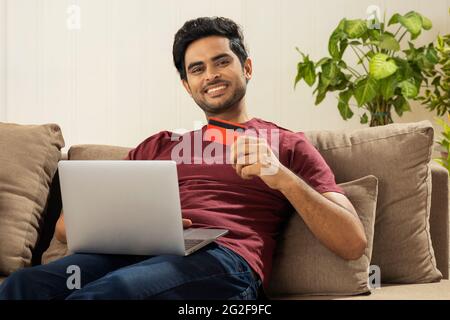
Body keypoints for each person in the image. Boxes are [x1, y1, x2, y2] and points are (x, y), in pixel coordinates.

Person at [0, 16, 367, 300]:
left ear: (247, 68)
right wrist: (144, 226)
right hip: (135, 255)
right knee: (22, 286)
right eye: (197, 69)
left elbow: (351, 243)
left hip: (225, 262)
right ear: (186, 84)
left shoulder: (285, 144)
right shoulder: (159, 145)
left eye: (222, 61)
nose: (211, 75)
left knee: (114, 293)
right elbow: (65, 228)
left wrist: (282, 177)